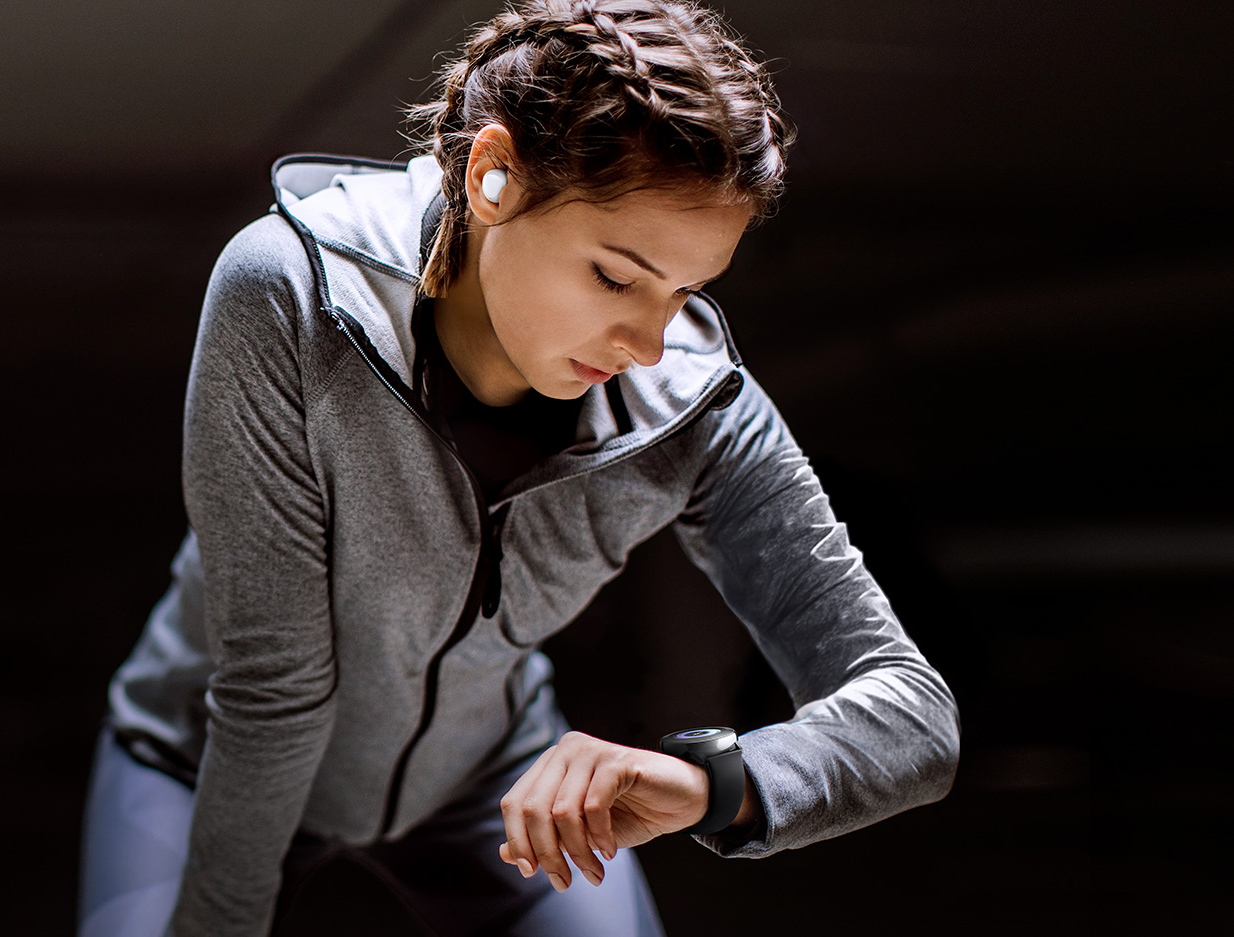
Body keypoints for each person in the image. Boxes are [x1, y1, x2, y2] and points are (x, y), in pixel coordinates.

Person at [80, 2, 960, 935]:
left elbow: (913, 716)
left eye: (685, 294)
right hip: (201, 758)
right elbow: (275, 687)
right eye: (615, 278)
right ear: (491, 174)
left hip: (484, 782)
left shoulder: (694, 407)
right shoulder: (291, 291)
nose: (649, 345)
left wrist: (711, 780)